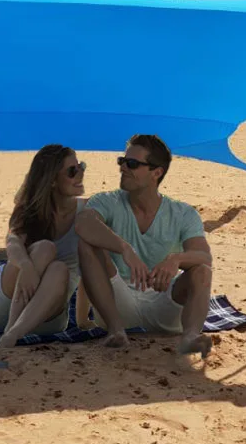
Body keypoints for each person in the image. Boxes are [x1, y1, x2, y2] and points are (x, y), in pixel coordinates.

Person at [74, 134, 214, 357]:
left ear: (156, 173)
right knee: (86, 244)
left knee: (202, 271)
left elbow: (204, 257)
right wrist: (125, 249)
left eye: (132, 164)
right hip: (118, 302)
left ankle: (189, 337)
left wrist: (175, 259)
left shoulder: (183, 213)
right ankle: (116, 331)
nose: (123, 168)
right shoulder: (107, 201)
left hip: (163, 303)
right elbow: (83, 224)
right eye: (122, 161)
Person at [0, 144, 87, 359]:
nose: (81, 174)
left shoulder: (88, 213)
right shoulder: (31, 209)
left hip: (47, 315)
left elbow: (93, 264)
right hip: (3, 302)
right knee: (46, 248)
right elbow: (13, 241)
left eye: (81, 166)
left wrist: (83, 318)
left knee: (59, 269)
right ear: (53, 180)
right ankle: (11, 327)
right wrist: (26, 265)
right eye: (72, 171)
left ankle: (12, 334)